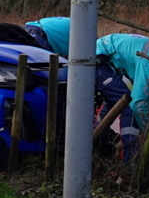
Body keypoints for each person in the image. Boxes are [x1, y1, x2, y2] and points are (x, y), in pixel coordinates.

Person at [26, 17, 138, 159]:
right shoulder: (92, 49)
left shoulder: (87, 42)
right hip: (40, 36)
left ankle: (91, 143)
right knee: (61, 95)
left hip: (35, 30)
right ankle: (120, 153)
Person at [95, 33, 149, 159]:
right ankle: (129, 160)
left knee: (116, 102)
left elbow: (148, 99)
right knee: (128, 105)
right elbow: (138, 104)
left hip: (105, 55)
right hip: (99, 59)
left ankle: (100, 144)